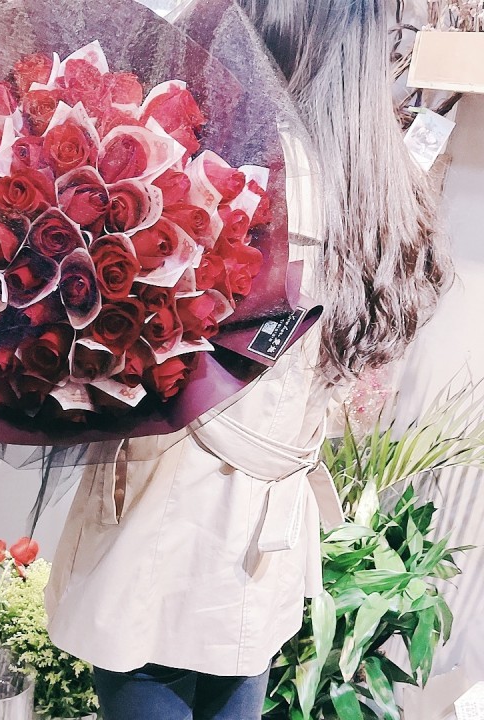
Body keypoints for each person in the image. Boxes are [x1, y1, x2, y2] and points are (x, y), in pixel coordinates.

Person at [43, 0, 454, 718]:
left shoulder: (242, 165)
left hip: (170, 513)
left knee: (146, 667)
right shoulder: (372, 177)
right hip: (263, 527)